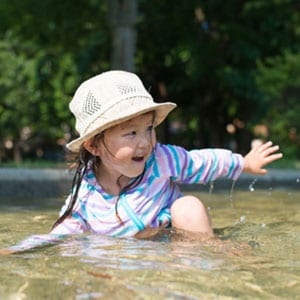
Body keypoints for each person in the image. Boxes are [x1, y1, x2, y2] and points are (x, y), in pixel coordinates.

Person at [0, 70, 282, 255]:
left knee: (189, 206)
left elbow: (202, 161)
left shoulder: (162, 160)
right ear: (94, 145)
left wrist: (242, 163)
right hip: (127, 262)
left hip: (172, 249)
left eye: (149, 129)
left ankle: (207, 255)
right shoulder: (85, 196)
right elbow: (61, 232)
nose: (145, 142)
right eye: (131, 133)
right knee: (89, 255)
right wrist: (16, 250)